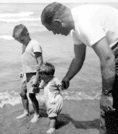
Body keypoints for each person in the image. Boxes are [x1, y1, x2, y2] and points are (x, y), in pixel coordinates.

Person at [41, 2, 118, 134]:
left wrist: (107, 94)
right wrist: (67, 78)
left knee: (108, 108)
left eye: (52, 29)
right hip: (113, 52)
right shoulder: (76, 28)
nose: (54, 33)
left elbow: (107, 58)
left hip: (114, 53)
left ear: (58, 22)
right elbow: (78, 58)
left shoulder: (85, 22)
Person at [12, 24, 43, 123]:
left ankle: (36, 114)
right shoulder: (24, 45)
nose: (21, 42)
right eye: (19, 41)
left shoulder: (35, 44)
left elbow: (40, 62)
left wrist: (37, 78)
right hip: (26, 74)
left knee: (31, 95)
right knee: (22, 93)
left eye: (22, 40)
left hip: (34, 74)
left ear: (27, 34)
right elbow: (25, 59)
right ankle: (26, 111)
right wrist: (22, 71)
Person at [39, 62, 63, 134]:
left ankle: (52, 128)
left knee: (52, 115)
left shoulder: (54, 79)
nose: (41, 78)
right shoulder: (44, 80)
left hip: (55, 100)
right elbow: (40, 87)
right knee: (51, 113)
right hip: (49, 100)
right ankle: (55, 122)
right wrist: (36, 85)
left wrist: (61, 85)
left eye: (43, 77)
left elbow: (60, 85)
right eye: (40, 76)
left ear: (50, 75)